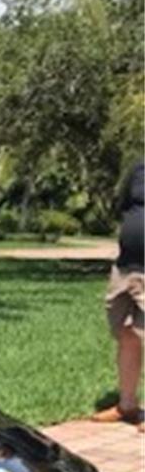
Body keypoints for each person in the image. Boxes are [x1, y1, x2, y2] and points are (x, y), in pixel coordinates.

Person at [93, 160, 144, 432]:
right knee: (124, 331)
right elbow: (124, 207)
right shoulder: (138, 170)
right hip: (125, 267)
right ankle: (127, 405)